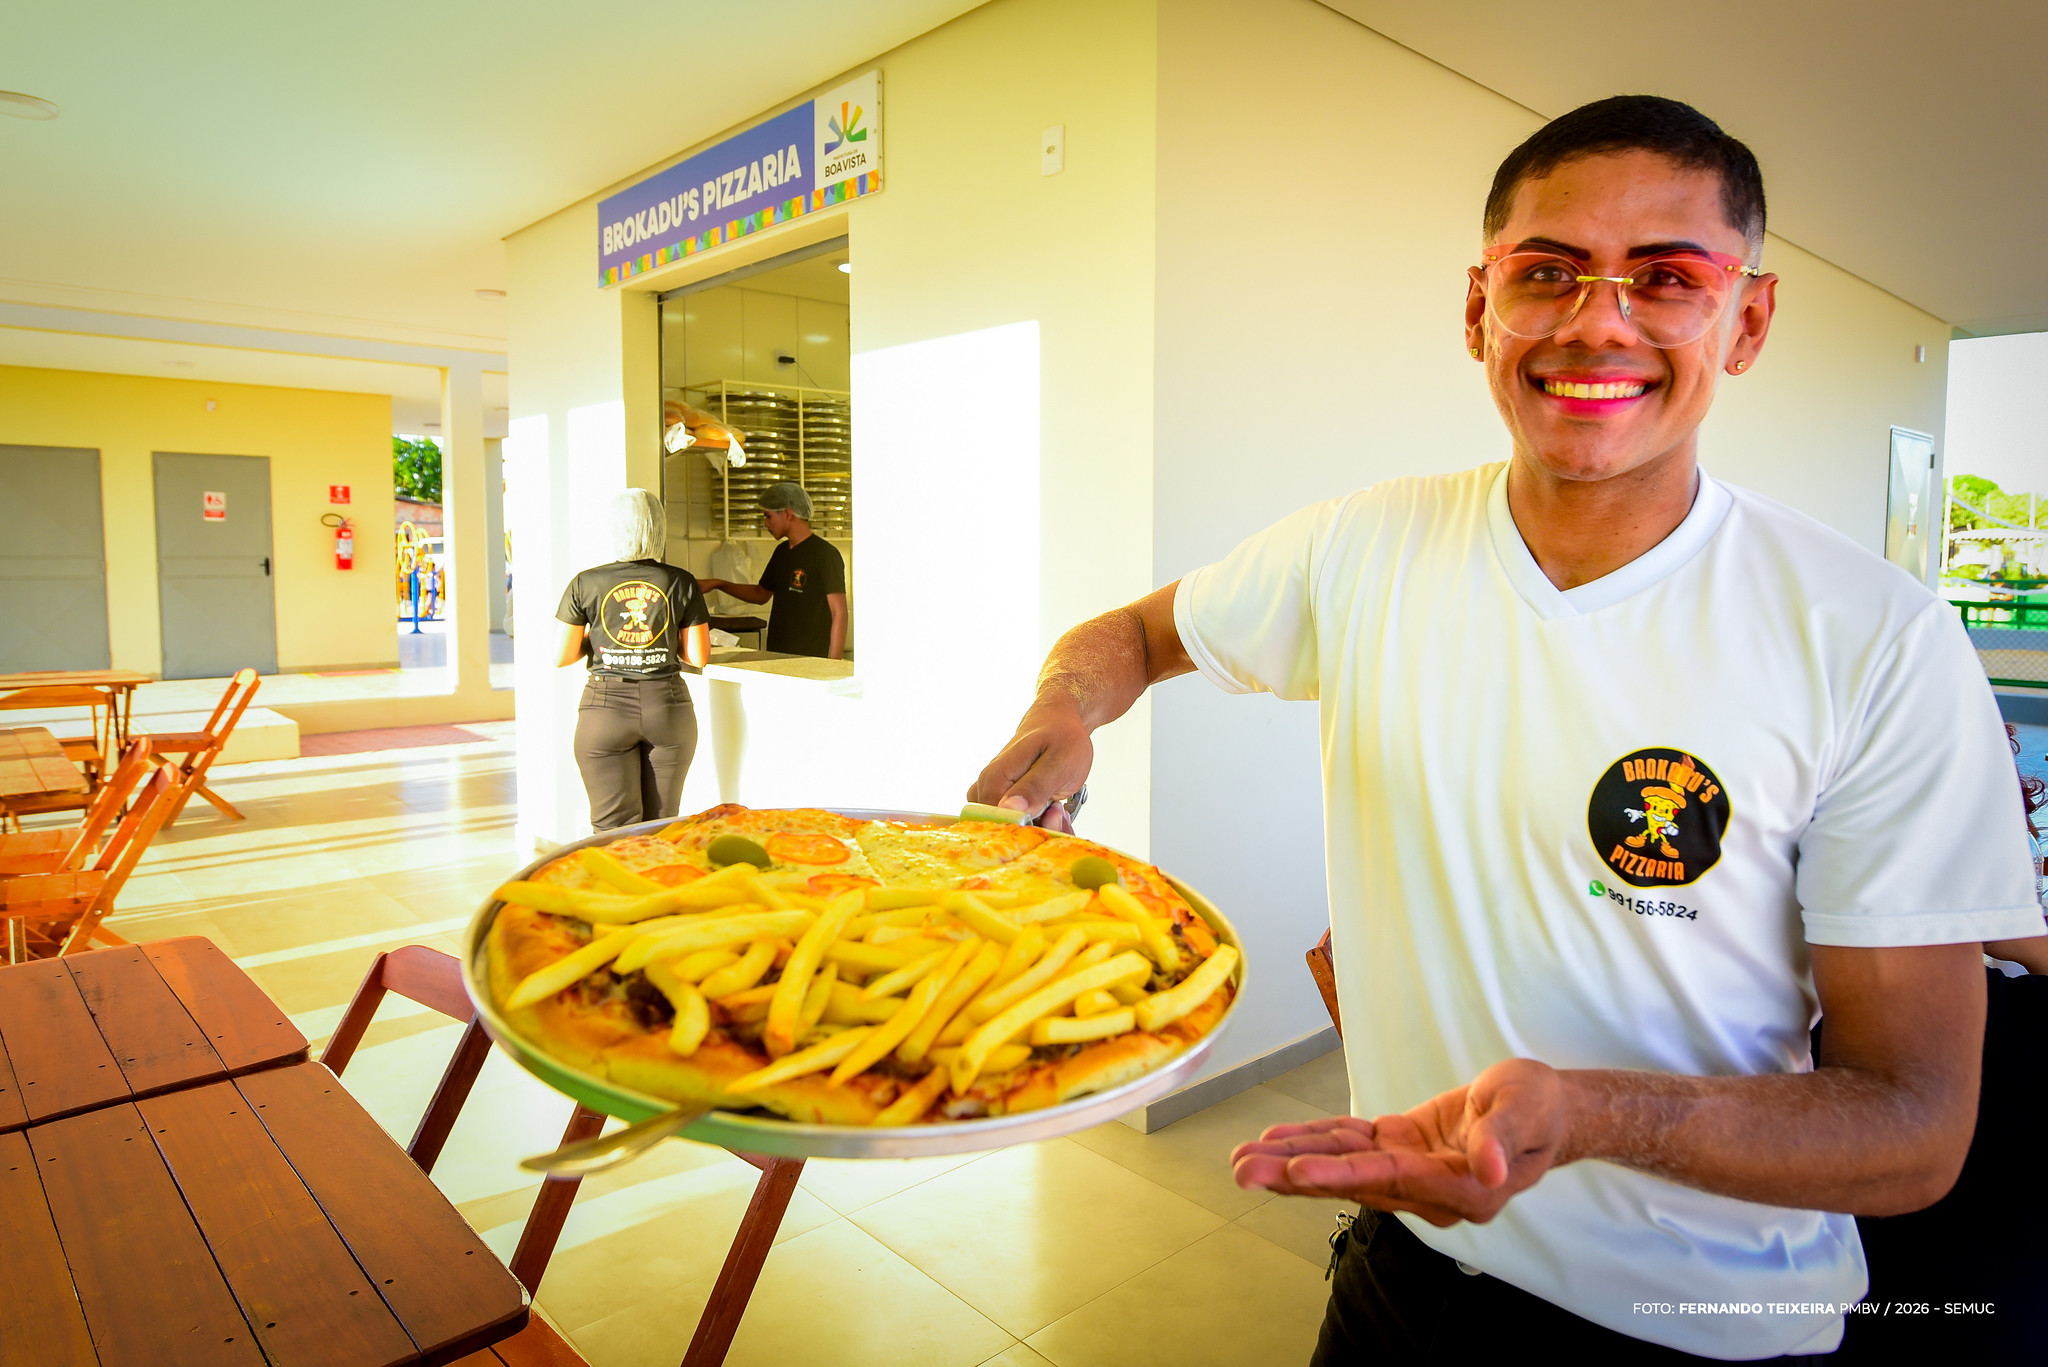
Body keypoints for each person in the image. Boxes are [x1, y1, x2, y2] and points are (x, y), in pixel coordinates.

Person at [968, 95, 2044, 1361]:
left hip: (1701, 1327)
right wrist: (1062, 703)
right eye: (1546, 272)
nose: (1598, 321)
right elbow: (1132, 635)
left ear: (1745, 321)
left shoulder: (1872, 635)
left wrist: (1586, 1116)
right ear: (1478, 308)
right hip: (1399, 1268)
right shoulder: (1362, 544)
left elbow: (1910, 1125)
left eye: (1666, 278)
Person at [555, 489, 710, 830]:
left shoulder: (586, 582)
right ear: (658, 528)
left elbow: (561, 656)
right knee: (660, 828)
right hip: (667, 706)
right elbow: (698, 656)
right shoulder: (680, 581)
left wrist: (598, 640)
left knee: (611, 830)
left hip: (605, 707)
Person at [696, 481, 847, 659]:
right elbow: (761, 594)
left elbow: (839, 612)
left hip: (811, 659)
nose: (766, 523)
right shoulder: (782, 552)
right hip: (777, 655)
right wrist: (718, 584)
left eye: (769, 516)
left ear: (788, 514)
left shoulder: (825, 554)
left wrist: (834, 663)